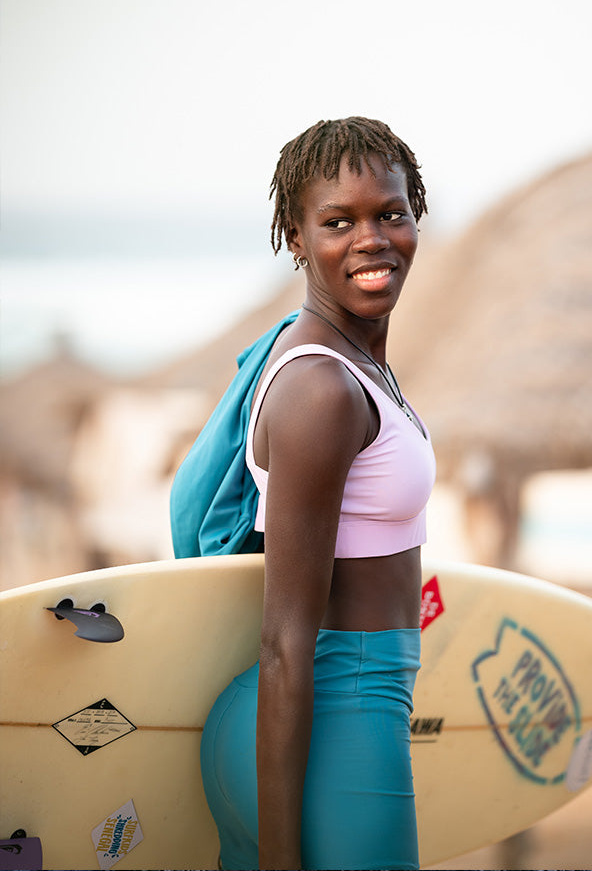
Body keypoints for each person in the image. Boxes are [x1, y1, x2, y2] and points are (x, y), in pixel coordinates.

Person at [199, 117, 436, 871]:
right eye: (338, 222)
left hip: (313, 723)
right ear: (295, 238)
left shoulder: (343, 360)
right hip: (337, 723)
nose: (371, 239)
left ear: (415, 216)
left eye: (390, 214)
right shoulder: (322, 389)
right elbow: (284, 641)